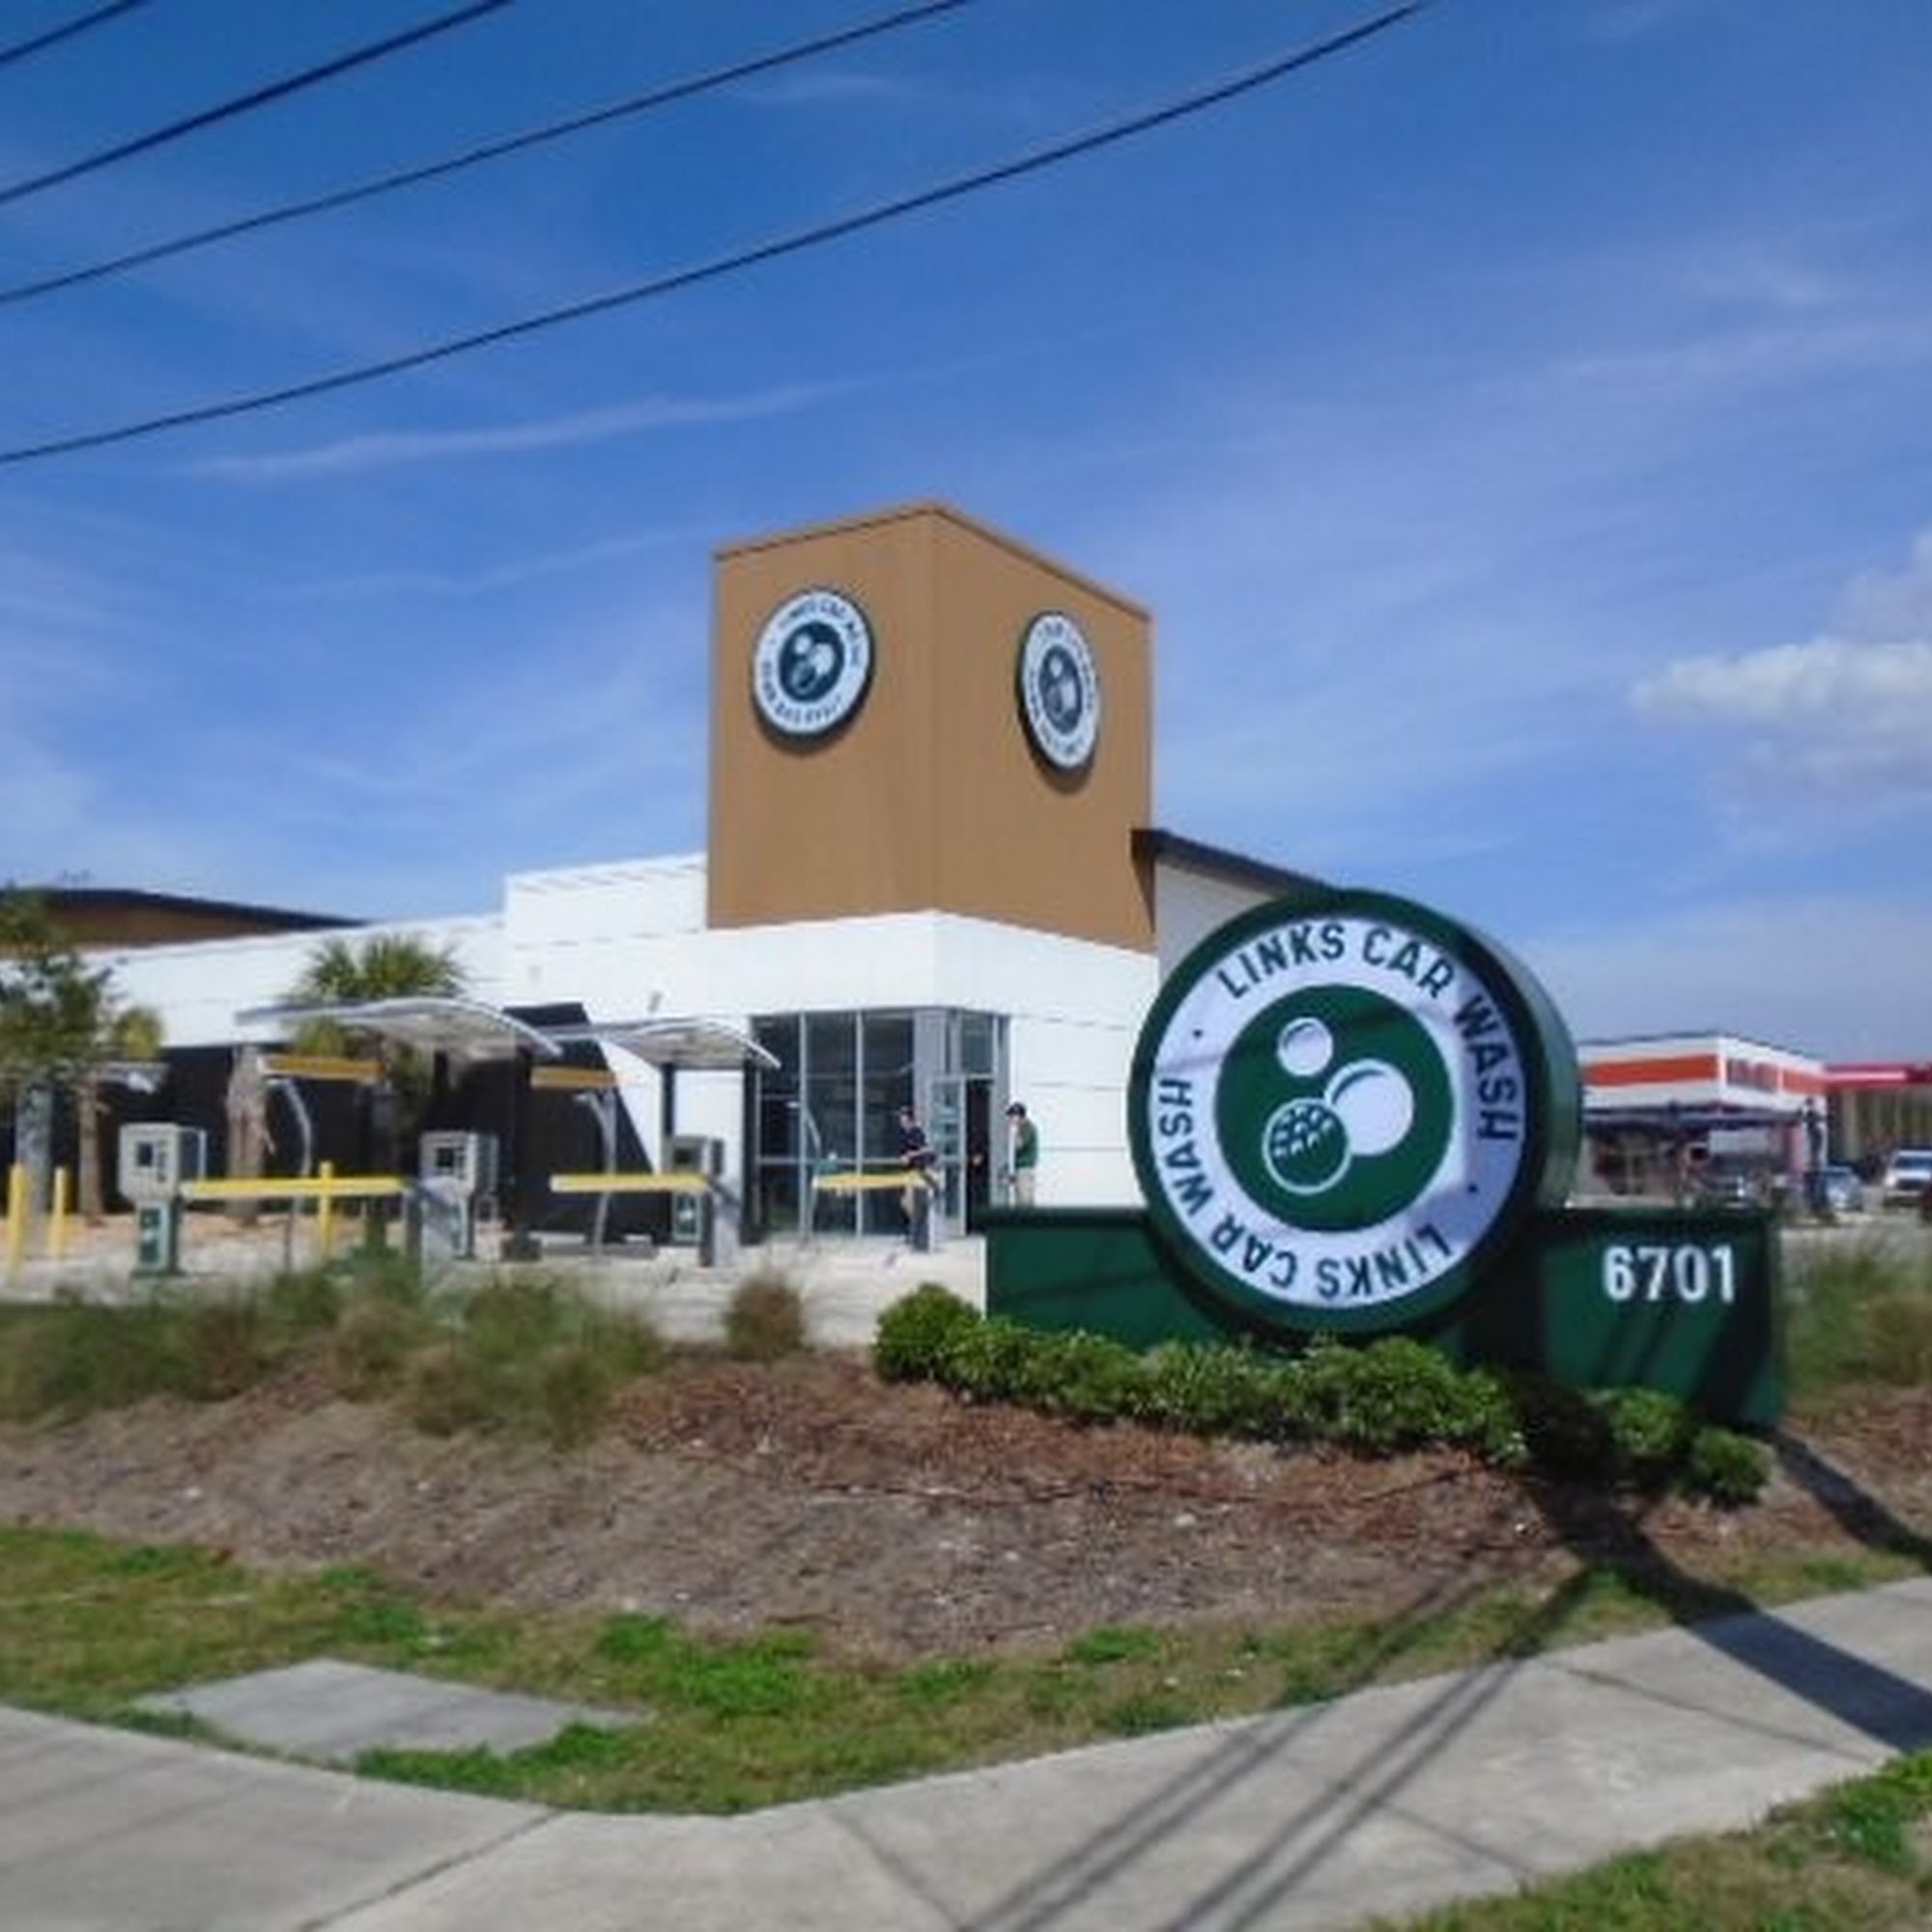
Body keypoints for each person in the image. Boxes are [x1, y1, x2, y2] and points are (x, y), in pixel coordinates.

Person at [896, 1104, 936, 1238]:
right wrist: (904, 1158)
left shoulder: (917, 1132)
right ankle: (913, 1230)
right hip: (908, 1173)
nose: (901, 1122)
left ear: (910, 1120)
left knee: (911, 1202)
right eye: (901, 1120)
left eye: (903, 1119)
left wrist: (910, 1155)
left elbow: (927, 1149)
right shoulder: (904, 1134)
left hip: (917, 1172)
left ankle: (916, 1231)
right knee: (906, 1202)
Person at [1004, 1099, 1039, 1207]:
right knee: (1023, 1202)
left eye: (1011, 1116)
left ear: (1017, 1115)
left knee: (1023, 1203)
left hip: (1025, 1170)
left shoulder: (1026, 1127)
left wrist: (1014, 1131)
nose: (1010, 1120)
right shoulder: (1024, 1127)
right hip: (1022, 1170)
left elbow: (1019, 1145)